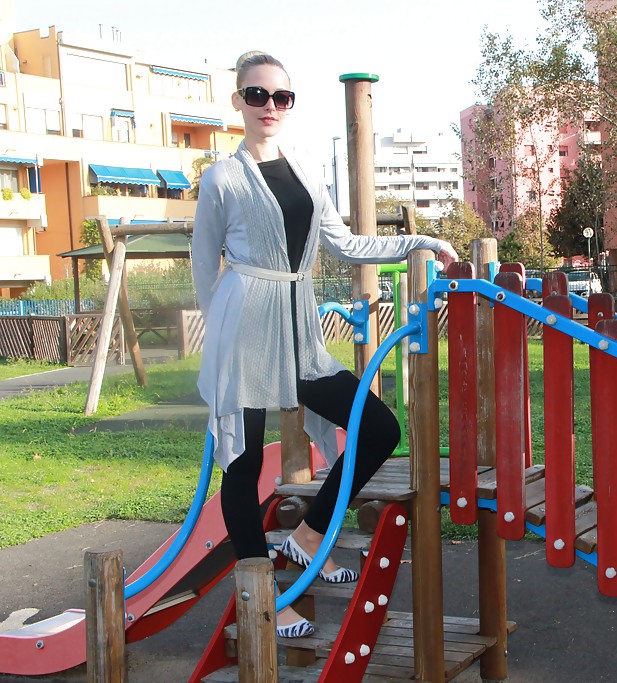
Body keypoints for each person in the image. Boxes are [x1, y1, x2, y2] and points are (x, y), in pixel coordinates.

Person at [191, 51, 457, 638]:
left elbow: (345, 244)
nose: (269, 107)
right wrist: (223, 338)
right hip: (244, 328)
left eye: (281, 97)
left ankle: (309, 534)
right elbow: (203, 267)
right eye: (257, 95)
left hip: (298, 332)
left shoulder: (308, 171)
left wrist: (422, 241)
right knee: (240, 464)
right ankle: (263, 600)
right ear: (238, 101)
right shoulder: (221, 178)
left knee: (379, 427)